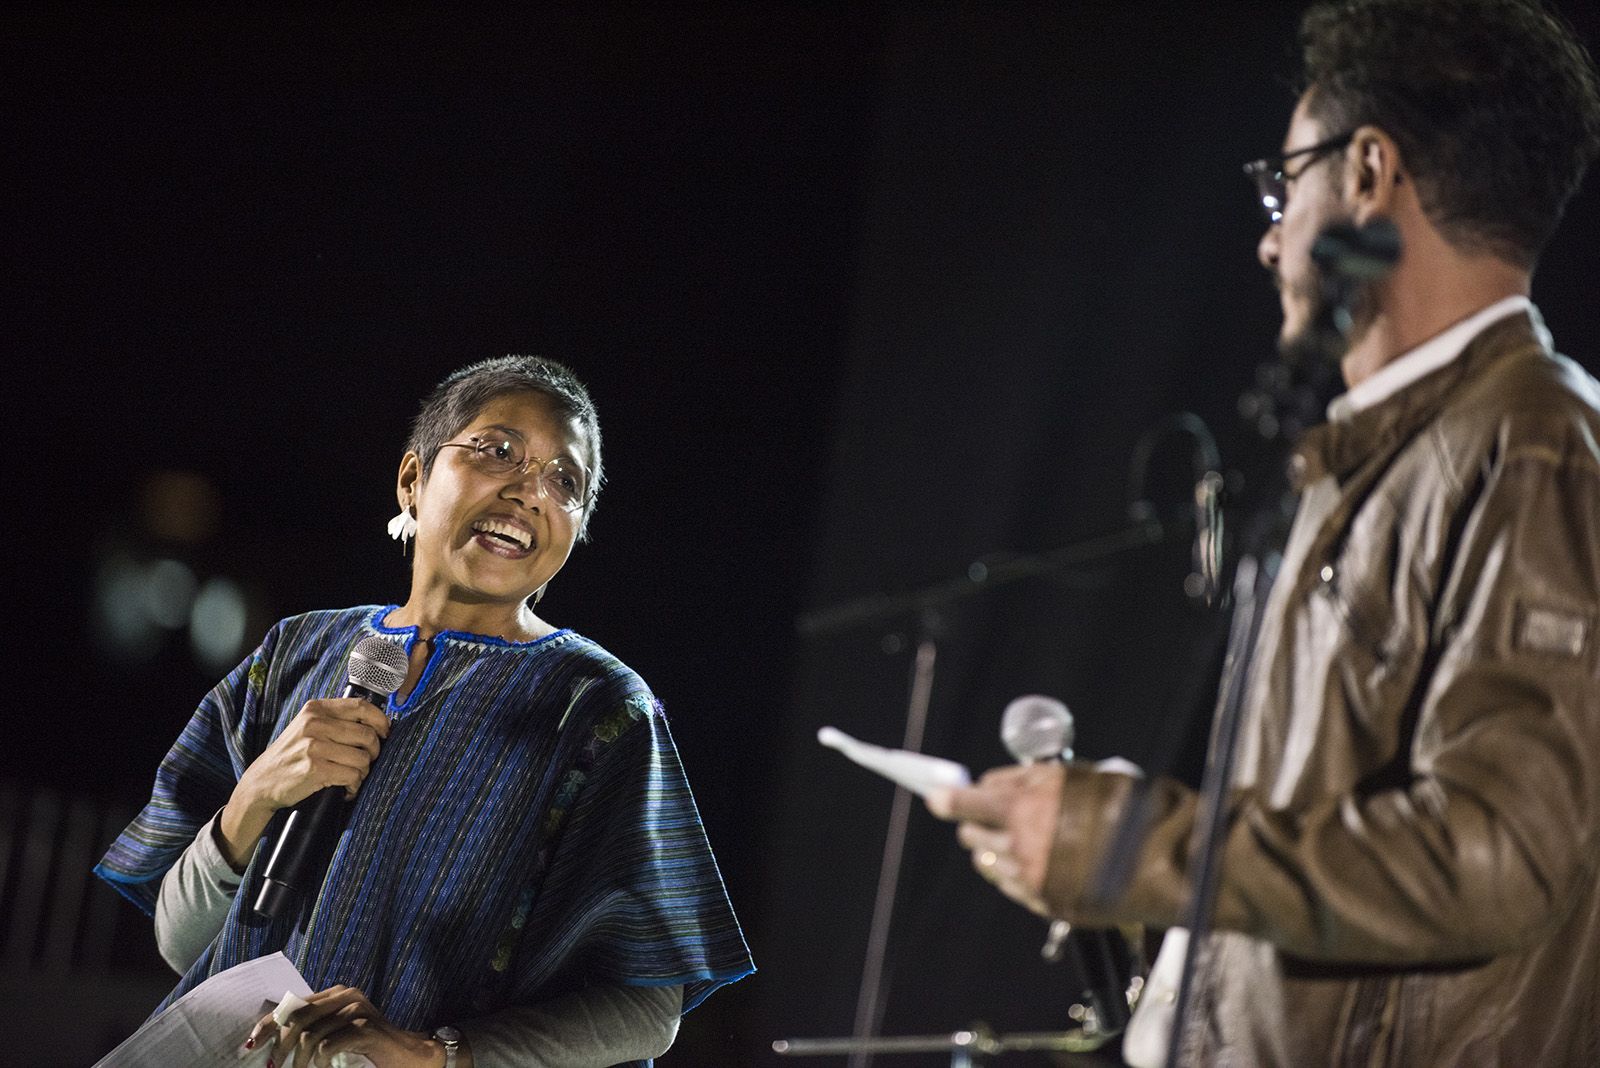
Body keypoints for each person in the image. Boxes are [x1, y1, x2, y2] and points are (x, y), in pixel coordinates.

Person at [928, 1, 1600, 1064]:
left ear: (1370, 174)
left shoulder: (1536, 449)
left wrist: (1127, 850)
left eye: (1285, 186)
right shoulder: (1394, 449)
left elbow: (1492, 859)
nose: (1268, 235)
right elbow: (1330, 859)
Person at [96, 356, 754, 1067]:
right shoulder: (296, 652)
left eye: (566, 482)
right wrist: (252, 799)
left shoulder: (597, 707)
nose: (530, 490)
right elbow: (183, 945)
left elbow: (646, 1011)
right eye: (498, 451)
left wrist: (438, 1054)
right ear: (413, 480)